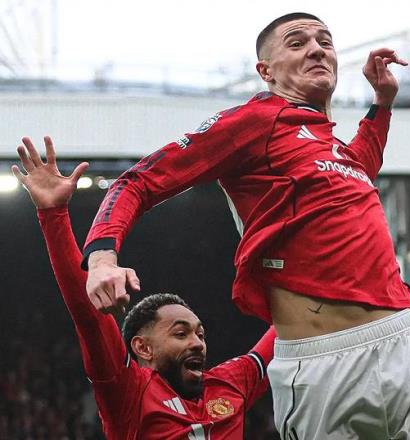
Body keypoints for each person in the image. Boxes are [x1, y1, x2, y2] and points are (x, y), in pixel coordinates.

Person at [78, 11, 410, 439]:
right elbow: (138, 181)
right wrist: (102, 257)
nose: (316, 49)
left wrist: (381, 105)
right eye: (297, 42)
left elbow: (357, 169)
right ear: (266, 71)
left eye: (325, 41)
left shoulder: (333, 149)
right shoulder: (254, 121)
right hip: (319, 366)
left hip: (408, 343)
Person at [12, 136, 276, 440]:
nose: (197, 343)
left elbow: (291, 324)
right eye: (180, 333)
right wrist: (54, 214)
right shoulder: (130, 394)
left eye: (200, 334)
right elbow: (88, 316)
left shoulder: (229, 384)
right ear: (143, 348)